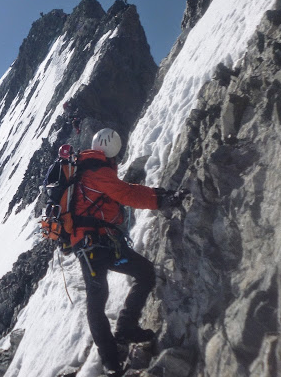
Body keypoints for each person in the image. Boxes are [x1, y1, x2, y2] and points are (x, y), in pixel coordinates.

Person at [70, 128, 185, 376]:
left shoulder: (87, 167)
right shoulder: (97, 172)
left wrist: (157, 194)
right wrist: (160, 200)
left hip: (93, 244)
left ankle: (124, 333)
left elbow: (121, 191)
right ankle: (112, 358)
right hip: (95, 246)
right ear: (115, 151)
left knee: (131, 279)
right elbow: (127, 194)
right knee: (100, 298)